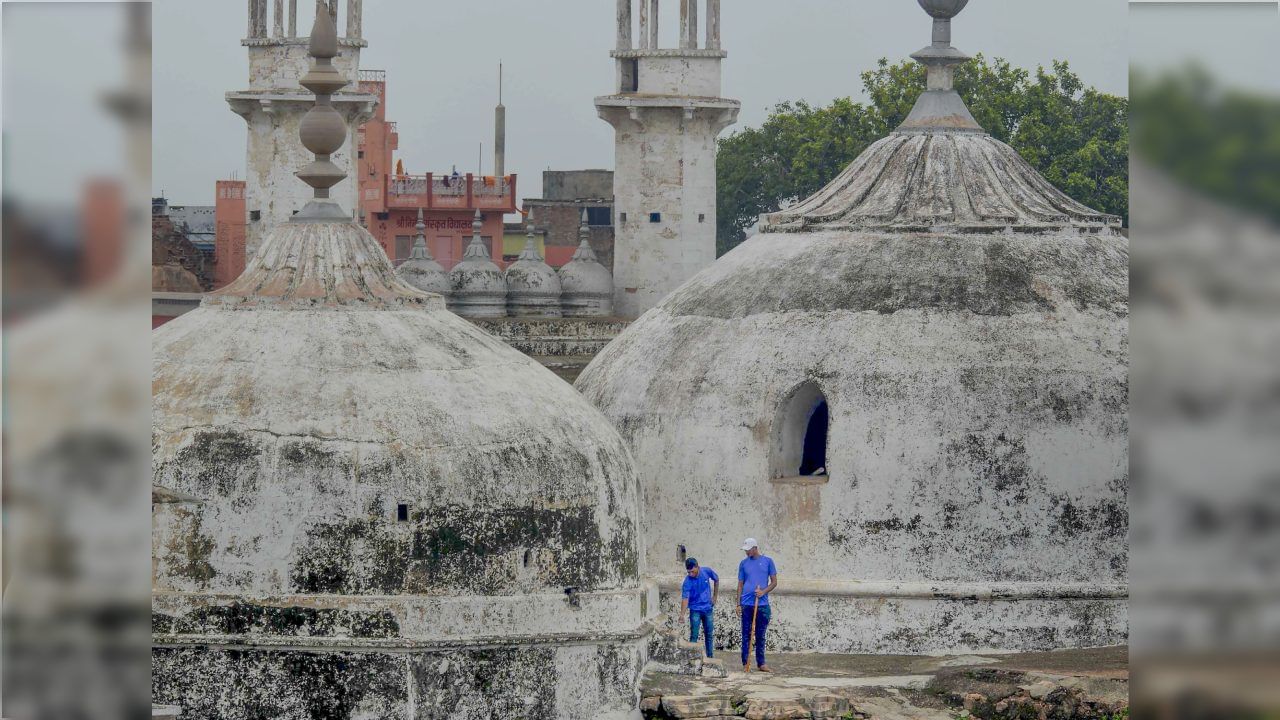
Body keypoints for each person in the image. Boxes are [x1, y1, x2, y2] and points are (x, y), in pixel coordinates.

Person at [736, 537, 778, 673]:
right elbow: (740, 584)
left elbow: (774, 582)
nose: (746, 552)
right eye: (745, 550)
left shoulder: (768, 562)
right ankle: (745, 662)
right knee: (746, 634)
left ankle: (761, 663)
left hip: (762, 604)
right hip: (746, 604)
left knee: (760, 634)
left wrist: (763, 591)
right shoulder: (743, 564)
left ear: (755, 548)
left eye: (748, 550)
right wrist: (738, 603)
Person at [680, 557, 719, 658]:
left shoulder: (706, 571)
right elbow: (685, 599)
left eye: (692, 571)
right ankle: (692, 658)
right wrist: (682, 615)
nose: (690, 574)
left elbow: (716, 579)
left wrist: (714, 596)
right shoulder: (687, 582)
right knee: (694, 635)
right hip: (695, 611)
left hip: (707, 609)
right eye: (688, 572)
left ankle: (710, 658)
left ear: (698, 567)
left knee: (709, 635)